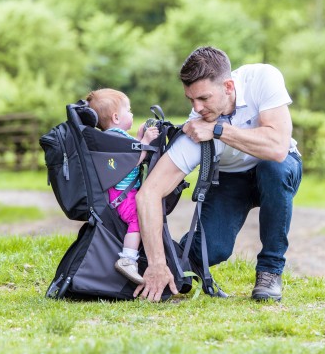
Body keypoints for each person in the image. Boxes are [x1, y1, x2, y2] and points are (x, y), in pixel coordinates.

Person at [134, 46, 302, 302]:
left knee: (273, 169)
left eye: (203, 98)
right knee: (208, 252)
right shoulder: (197, 126)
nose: (197, 108)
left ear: (228, 86)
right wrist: (157, 263)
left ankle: (270, 271)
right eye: (191, 100)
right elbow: (149, 194)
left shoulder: (263, 78)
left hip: (278, 168)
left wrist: (219, 130)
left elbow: (278, 148)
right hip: (229, 180)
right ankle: (149, 264)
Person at [86, 88, 160, 285]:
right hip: (123, 195)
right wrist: (145, 142)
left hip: (115, 193)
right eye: (129, 110)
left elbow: (127, 151)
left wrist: (138, 138)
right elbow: (132, 160)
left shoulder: (111, 138)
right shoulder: (117, 136)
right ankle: (128, 259)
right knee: (138, 220)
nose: (132, 114)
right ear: (116, 117)